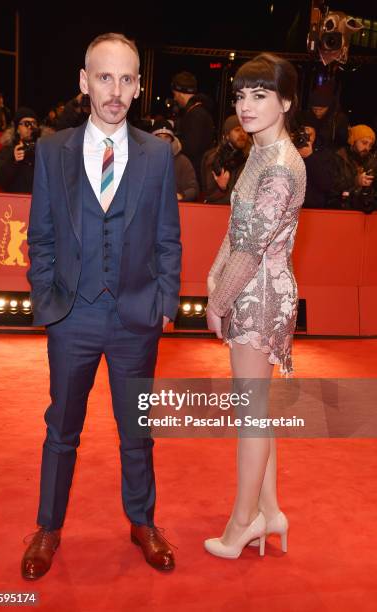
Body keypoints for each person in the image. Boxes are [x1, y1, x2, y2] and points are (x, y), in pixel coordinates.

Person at [21, 32, 181, 580]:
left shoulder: (159, 154)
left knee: (136, 430)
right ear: (84, 81)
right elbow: (39, 235)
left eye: (126, 78)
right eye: (105, 77)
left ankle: (142, 521)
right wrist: (48, 295)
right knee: (61, 428)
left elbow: (168, 238)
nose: (115, 90)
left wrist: (166, 299)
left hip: (137, 317)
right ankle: (48, 526)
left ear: (138, 86)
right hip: (73, 316)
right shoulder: (50, 149)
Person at [204, 53, 306, 559]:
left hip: (260, 297)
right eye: (242, 94)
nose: (246, 105)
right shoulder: (260, 154)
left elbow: (252, 247)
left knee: (252, 416)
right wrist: (213, 278)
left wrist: (218, 300)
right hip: (249, 288)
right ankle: (270, 511)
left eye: (260, 94)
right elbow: (236, 228)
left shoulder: (283, 167)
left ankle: (242, 523)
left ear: (286, 101)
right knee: (256, 412)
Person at [171, 71, 215, 185]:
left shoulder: (196, 114)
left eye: (175, 94)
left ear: (180, 93)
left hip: (195, 175)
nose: (175, 99)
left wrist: (174, 144)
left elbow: (191, 148)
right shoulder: (198, 111)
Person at [201, 115, 250, 204]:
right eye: (237, 130)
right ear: (227, 135)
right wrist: (222, 188)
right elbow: (208, 194)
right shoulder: (213, 158)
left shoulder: (251, 158)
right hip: (219, 211)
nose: (242, 134)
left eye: (244, 130)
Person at [329, 124, 377, 212]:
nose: (367, 148)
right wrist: (356, 181)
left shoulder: (372, 161)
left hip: (366, 210)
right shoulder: (338, 158)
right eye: (364, 143)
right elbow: (332, 186)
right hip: (340, 209)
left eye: (370, 145)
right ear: (353, 141)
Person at [0, 107, 40, 193]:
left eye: (34, 123)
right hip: (16, 202)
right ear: (17, 129)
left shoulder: (43, 149)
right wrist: (13, 160)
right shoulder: (8, 150)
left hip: (39, 202)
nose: (30, 127)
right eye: (26, 123)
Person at [151, 118, 199, 201]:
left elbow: (193, 189)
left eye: (166, 137)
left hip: (175, 208)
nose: (163, 141)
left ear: (172, 140)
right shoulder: (144, 160)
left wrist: (181, 196)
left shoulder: (183, 162)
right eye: (159, 137)